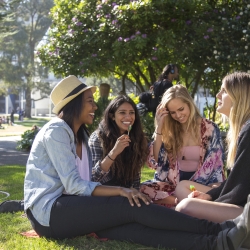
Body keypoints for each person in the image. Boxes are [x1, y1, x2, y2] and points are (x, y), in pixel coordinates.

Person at [2, 75, 250, 250]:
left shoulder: (80, 135)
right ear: (74, 103)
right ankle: (218, 230)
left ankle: (216, 244)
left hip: (70, 207)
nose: (95, 105)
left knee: (130, 229)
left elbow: (85, 183)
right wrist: (122, 190)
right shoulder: (56, 131)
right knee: (128, 205)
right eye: (89, 100)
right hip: (49, 213)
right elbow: (75, 185)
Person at [175, 72, 250, 223]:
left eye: (224, 91)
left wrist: (211, 202)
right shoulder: (243, 130)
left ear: (238, 95)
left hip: (245, 211)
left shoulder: (248, 131)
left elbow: (240, 189)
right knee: (185, 193)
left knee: (186, 207)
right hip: (241, 204)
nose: (218, 95)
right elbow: (236, 182)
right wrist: (209, 196)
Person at [140, 84, 225, 206]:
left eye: (181, 109)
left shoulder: (209, 128)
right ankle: (180, 203)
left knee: (213, 190)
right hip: (173, 186)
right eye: (173, 112)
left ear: (189, 104)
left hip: (202, 184)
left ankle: (181, 205)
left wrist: (212, 188)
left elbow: (217, 165)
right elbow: (154, 161)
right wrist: (159, 128)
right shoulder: (169, 130)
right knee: (142, 188)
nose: (178, 116)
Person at [89, 95, 148, 190]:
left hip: (126, 193)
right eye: (122, 112)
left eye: (131, 113)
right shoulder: (98, 138)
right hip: (103, 194)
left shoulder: (136, 137)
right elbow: (93, 179)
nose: (128, 117)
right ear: (112, 116)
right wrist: (114, 152)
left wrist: (135, 192)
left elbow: (135, 177)